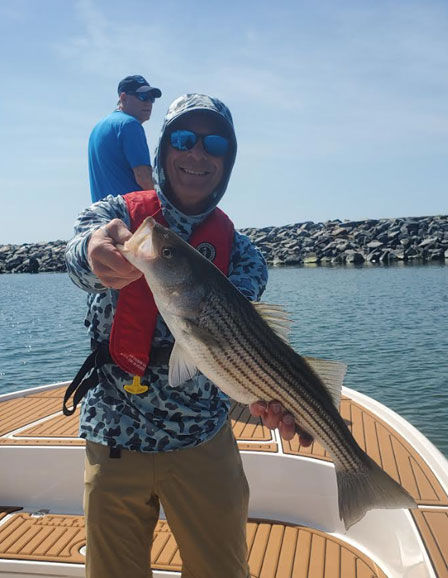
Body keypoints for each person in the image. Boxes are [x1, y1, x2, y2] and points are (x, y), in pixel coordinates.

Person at [65, 93, 309, 578]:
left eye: (214, 144)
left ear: (227, 161)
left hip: (201, 437)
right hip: (115, 432)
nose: (198, 153)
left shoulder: (243, 255)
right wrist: (92, 251)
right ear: (163, 149)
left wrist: (265, 396)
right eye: (183, 139)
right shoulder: (118, 214)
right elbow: (77, 255)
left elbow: (240, 346)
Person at [87, 75, 161, 203]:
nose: (148, 103)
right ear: (123, 98)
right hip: (130, 212)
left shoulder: (98, 127)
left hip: (104, 212)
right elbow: (143, 177)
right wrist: (166, 204)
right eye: (143, 97)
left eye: (151, 98)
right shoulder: (130, 125)